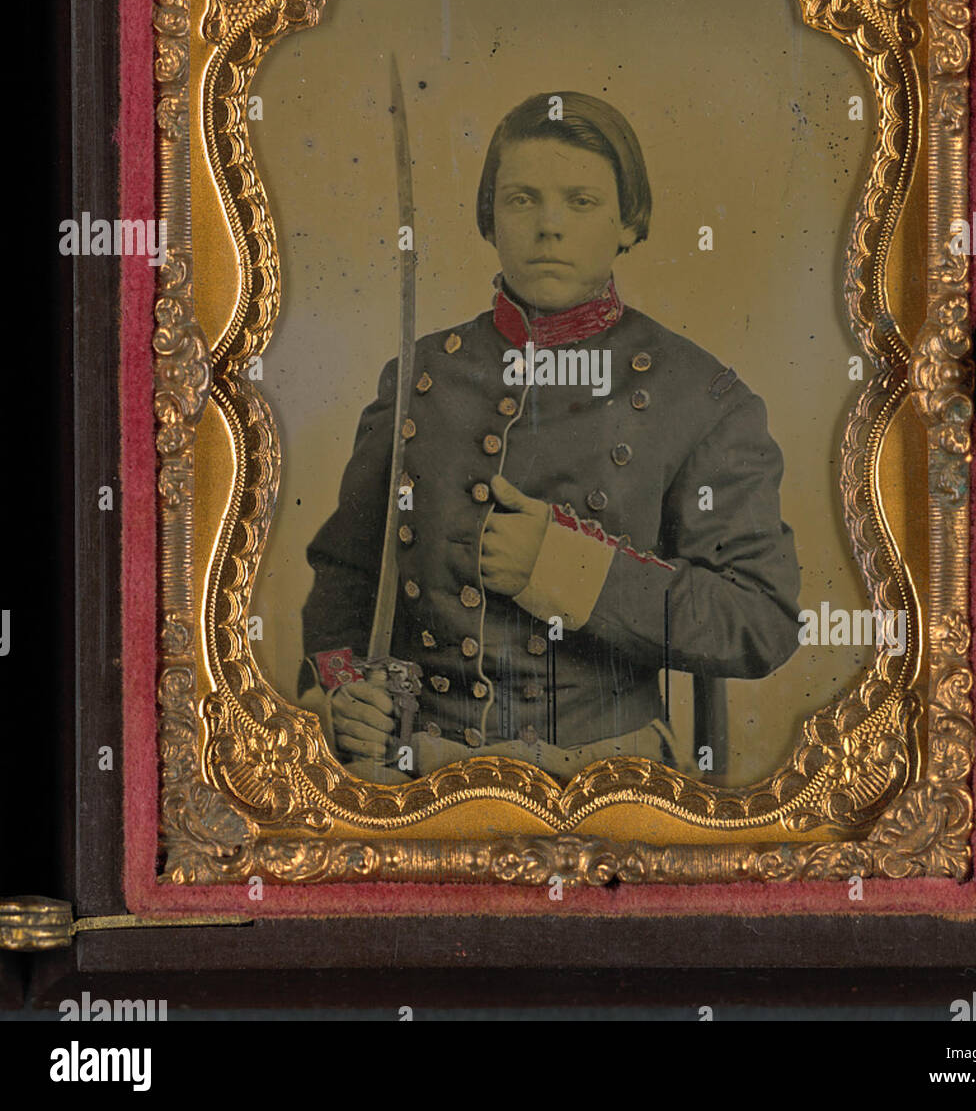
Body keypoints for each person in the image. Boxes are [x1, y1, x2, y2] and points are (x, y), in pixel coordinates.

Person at [299, 91, 801, 782]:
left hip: (607, 784)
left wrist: (571, 570)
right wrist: (343, 692)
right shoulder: (422, 377)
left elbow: (759, 620)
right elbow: (345, 579)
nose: (549, 227)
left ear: (629, 224)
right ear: (490, 219)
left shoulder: (702, 398)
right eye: (522, 200)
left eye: (582, 202)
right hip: (417, 774)